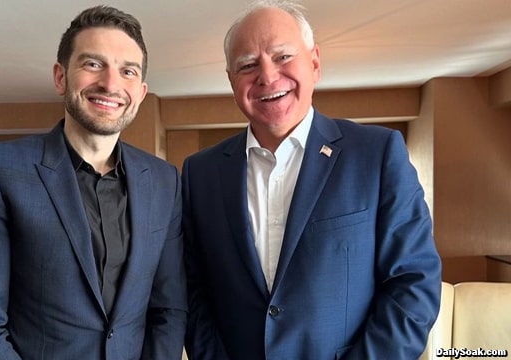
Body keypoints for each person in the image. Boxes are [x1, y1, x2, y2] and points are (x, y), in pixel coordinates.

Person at [182, 0, 441, 359]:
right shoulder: (200, 174)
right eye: (248, 65)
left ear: (315, 63)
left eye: (283, 56)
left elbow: (413, 283)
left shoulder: (377, 154)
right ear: (231, 80)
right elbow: (195, 294)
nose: (268, 76)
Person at [0, 5, 186, 359]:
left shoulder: (165, 180)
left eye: (128, 71)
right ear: (61, 77)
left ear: (142, 90)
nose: (111, 83)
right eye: (93, 64)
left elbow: (169, 309)